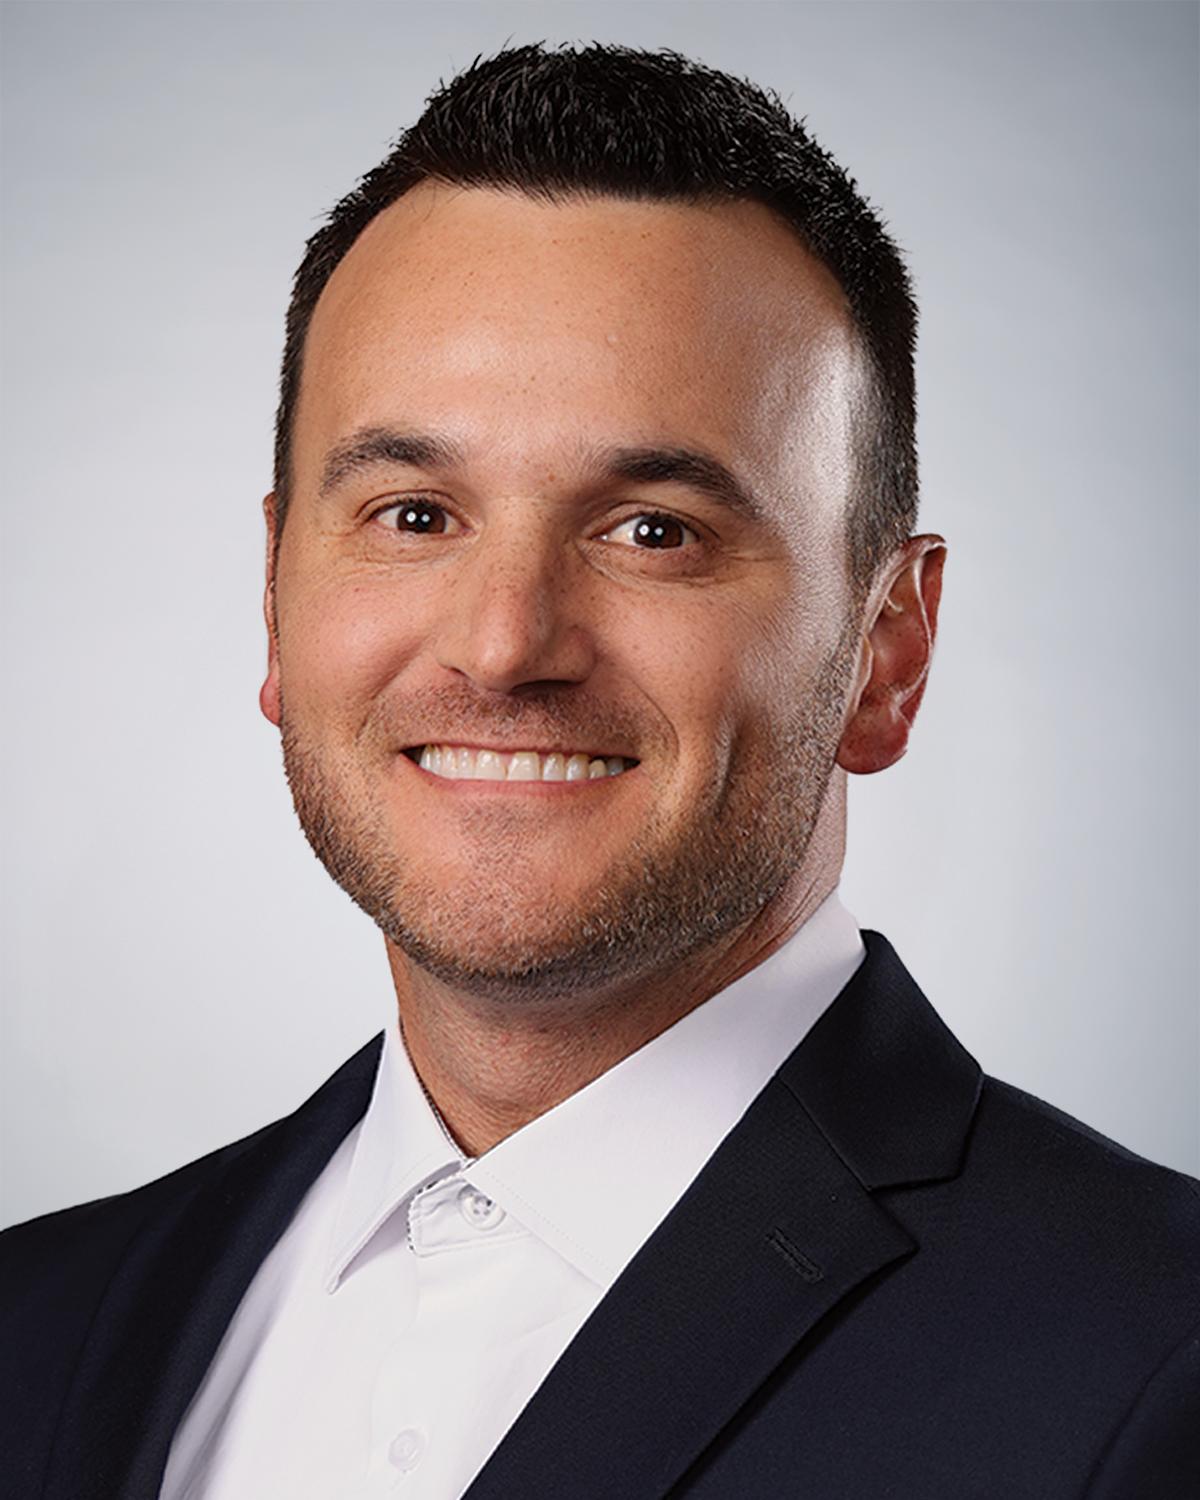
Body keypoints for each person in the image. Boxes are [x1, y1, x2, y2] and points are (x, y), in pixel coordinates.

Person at [2, 43, 1198, 1500]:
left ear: (887, 652)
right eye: (415, 512)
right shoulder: (39, 1320)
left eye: (653, 531)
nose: (504, 645)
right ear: (274, 598)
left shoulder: (1154, 1364)